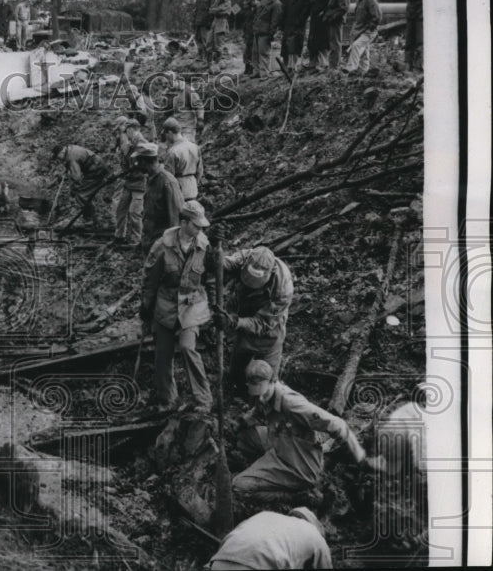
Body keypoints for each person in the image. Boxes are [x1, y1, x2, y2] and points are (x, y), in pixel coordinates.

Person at [234, 359, 385, 496]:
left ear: (273, 381)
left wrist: (358, 456)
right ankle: (269, 466)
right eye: (256, 394)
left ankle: (290, 494)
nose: (260, 398)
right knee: (243, 440)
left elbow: (338, 425)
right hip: (281, 439)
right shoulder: (266, 392)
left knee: (239, 485)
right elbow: (259, 408)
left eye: (263, 393)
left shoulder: (292, 404)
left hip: (298, 463)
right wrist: (243, 421)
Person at [141, 201, 215, 413]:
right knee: (162, 355)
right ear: (183, 223)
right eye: (196, 225)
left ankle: (203, 400)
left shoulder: (204, 245)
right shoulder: (162, 246)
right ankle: (168, 400)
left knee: (187, 347)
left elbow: (210, 278)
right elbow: (150, 280)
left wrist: (214, 306)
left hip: (192, 306)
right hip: (165, 305)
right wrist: (146, 307)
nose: (200, 230)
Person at [213, 245, 293, 394]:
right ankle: (239, 396)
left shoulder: (282, 288)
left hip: (269, 333)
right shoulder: (246, 257)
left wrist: (234, 322)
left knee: (267, 386)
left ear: (269, 274)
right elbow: (222, 263)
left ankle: (260, 411)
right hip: (244, 320)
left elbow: (263, 323)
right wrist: (214, 250)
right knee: (237, 376)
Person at [208, 508, 332, 570]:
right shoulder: (314, 534)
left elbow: (232, 535)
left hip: (219, 562)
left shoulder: (266, 515)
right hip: (257, 565)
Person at [133, 141, 184, 254]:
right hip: (150, 241)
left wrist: (171, 248)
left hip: (162, 245)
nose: (136, 164)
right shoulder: (151, 179)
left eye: (138, 161)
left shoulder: (167, 182)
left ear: (145, 161)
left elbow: (175, 219)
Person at [52, 143, 111, 228]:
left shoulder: (71, 157)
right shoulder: (70, 149)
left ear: (61, 152)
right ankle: (91, 218)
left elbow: (77, 177)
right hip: (95, 168)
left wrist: (74, 189)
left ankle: (90, 219)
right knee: (81, 193)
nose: (59, 160)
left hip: (97, 170)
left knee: (81, 195)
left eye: (58, 157)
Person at [112, 118, 147, 247]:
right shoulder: (132, 143)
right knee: (121, 210)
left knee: (134, 213)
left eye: (127, 131)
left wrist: (137, 168)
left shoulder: (142, 144)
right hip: (129, 183)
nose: (126, 134)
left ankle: (136, 241)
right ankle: (119, 236)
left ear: (131, 129)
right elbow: (126, 163)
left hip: (139, 184)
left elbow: (147, 165)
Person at [344, 0, 381, 76]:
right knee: (364, 52)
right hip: (360, 31)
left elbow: (377, 16)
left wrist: (370, 29)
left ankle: (351, 69)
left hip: (369, 31)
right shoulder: (359, 1)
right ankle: (364, 72)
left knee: (356, 46)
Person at [160, 118, 203, 202]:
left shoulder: (173, 152)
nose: (166, 138)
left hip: (178, 191)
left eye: (166, 134)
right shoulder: (195, 147)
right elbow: (200, 171)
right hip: (193, 189)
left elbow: (168, 177)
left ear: (169, 132)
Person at [250, 0, 282, 79]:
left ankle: (264, 74)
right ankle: (256, 72)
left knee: (264, 53)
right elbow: (258, 14)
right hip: (257, 30)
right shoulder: (264, 0)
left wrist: (271, 33)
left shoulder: (277, 3)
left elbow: (275, 21)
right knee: (255, 53)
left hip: (265, 32)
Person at [280, 0, 313, 72]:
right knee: (286, 47)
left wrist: (297, 23)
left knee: (294, 47)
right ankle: (288, 67)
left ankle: (294, 67)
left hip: (297, 28)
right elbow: (284, 12)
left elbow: (305, 14)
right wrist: (282, 25)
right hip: (288, 27)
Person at [324, 0, 351, 70]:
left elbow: (344, 7)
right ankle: (332, 66)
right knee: (332, 43)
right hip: (333, 18)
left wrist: (332, 16)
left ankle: (334, 68)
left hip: (337, 19)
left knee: (335, 44)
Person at [305, 0, 331, 72]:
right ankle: (313, 64)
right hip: (315, 22)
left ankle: (324, 65)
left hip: (323, 23)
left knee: (323, 44)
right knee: (312, 43)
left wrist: (324, 13)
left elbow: (329, 6)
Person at [404, 0, 423, 71]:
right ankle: (408, 64)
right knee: (409, 38)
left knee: (420, 39)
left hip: (421, 7)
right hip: (411, 7)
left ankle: (419, 65)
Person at [192, 0, 215, 64]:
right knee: (198, 39)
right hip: (198, 21)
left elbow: (212, 10)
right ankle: (200, 55)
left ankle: (207, 58)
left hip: (205, 22)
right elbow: (196, 9)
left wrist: (210, 22)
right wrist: (194, 21)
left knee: (205, 40)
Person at [208, 0, 232, 64]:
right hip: (215, 22)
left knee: (219, 45)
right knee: (209, 42)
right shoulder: (217, 0)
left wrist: (216, 11)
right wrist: (217, 10)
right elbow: (211, 10)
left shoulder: (228, 1)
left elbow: (226, 12)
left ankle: (217, 63)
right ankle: (209, 62)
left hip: (222, 23)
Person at [239, 0, 258, 76]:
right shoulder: (248, 8)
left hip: (254, 32)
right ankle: (247, 68)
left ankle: (252, 69)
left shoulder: (258, 7)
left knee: (252, 51)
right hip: (248, 32)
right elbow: (246, 21)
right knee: (246, 51)